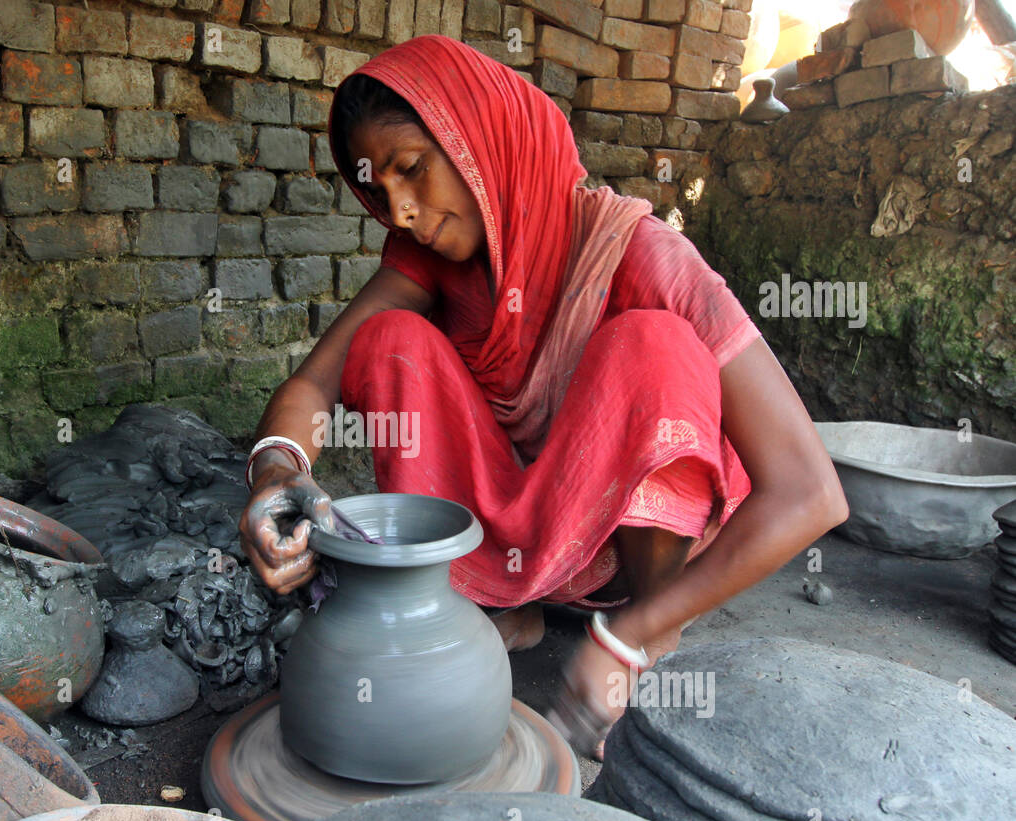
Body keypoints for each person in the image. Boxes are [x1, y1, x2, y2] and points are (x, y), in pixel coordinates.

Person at [237, 35, 848, 759]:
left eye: (413, 170)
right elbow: (316, 381)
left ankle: (651, 636)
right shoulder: (430, 262)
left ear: (482, 147)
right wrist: (278, 475)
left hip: (629, 551)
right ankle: (490, 601)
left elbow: (811, 492)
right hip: (518, 527)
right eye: (378, 188)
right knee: (389, 342)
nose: (398, 210)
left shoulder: (643, 255)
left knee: (652, 347)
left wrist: (624, 637)